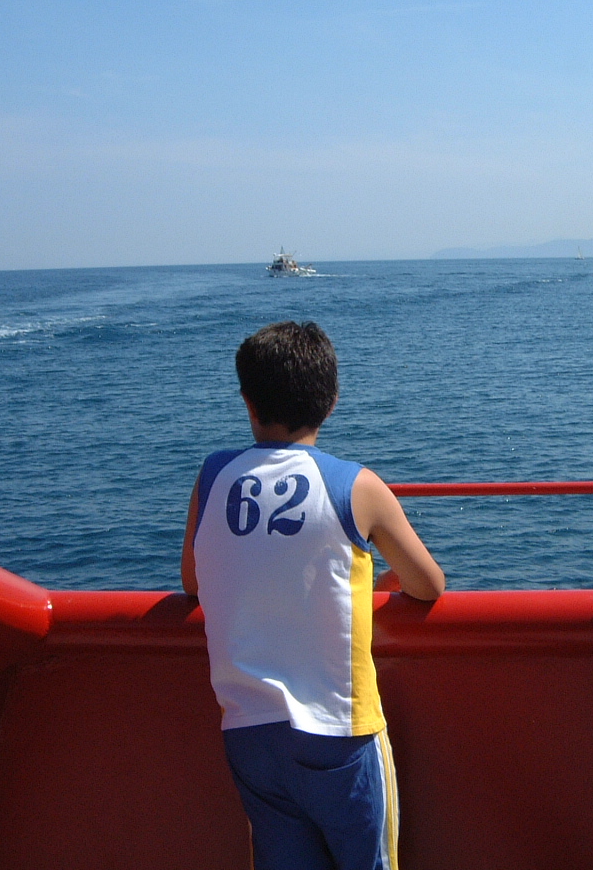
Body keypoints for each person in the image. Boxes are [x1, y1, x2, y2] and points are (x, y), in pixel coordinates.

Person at [181, 321, 445, 870]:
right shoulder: (356, 485)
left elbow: (194, 580)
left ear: (248, 402)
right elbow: (428, 583)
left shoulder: (212, 477)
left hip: (249, 733)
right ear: (331, 402)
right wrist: (378, 581)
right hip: (339, 730)